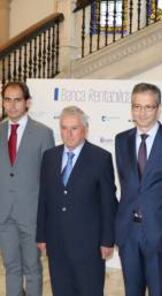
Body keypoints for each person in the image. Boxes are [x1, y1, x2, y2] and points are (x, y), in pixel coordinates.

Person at [115, 82, 162, 296]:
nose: (142, 112)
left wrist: (158, 213)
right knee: (132, 291)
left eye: (148, 107)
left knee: (158, 291)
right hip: (128, 232)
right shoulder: (121, 140)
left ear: (158, 108)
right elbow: (127, 183)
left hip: (159, 231)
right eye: (137, 106)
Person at [36, 106, 118, 296]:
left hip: (89, 245)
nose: (68, 134)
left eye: (74, 128)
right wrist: (41, 234)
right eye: (64, 128)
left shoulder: (101, 158)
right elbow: (44, 198)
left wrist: (107, 240)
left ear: (85, 129)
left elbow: (108, 202)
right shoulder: (49, 157)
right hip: (57, 243)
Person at [0, 81, 54, 296]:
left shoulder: (43, 133)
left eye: (17, 100)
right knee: (11, 268)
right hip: (4, 216)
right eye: (7, 100)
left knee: (32, 269)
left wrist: (46, 217)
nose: (12, 105)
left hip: (31, 216)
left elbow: (50, 181)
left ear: (27, 102)